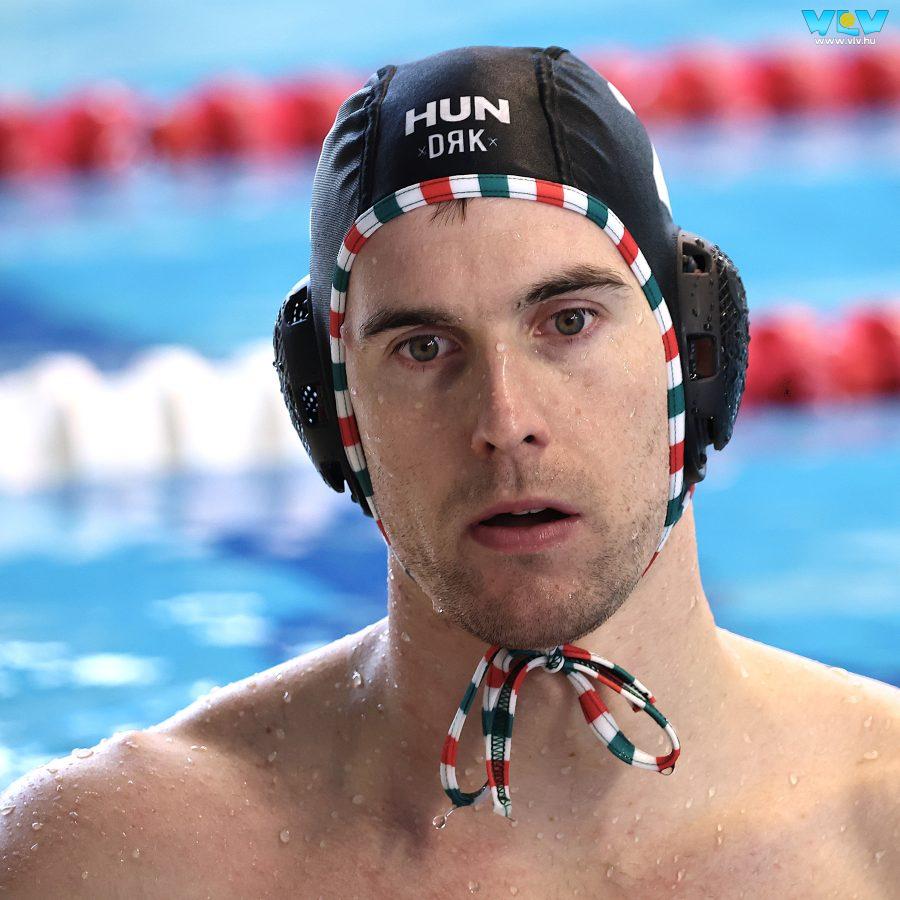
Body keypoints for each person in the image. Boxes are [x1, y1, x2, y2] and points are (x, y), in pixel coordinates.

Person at [2, 45, 898, 899]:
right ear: (332, 413)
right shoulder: (116, 862)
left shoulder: (881, 829)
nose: (505, 423)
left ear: (695, 354)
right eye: (423, 347)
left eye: (569, 322)